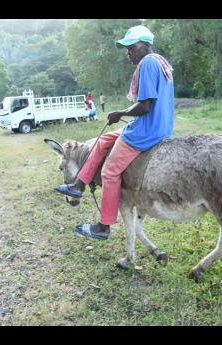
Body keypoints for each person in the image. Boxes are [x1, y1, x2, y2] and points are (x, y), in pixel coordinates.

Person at [55, 25, 174, 240]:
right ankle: (78, 185)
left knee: (109, 172)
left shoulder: (147, 64)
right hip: (159, 125)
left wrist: (119, 113)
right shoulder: (160, 62)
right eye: (126, 47)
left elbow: (145, 106)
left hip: (146, 130)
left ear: (145, 45)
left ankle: (103, 226)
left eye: (132, 46)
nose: (128, 51)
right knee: (102, 142)